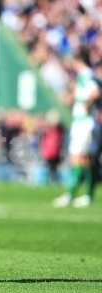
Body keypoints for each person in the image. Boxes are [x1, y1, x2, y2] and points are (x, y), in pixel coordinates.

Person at [53, 52, 100, 208]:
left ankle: (72, 194)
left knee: (78, 158)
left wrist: (86, 105)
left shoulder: (86, 75)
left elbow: (95, 92)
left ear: (79, 60)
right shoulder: (82, 76)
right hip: (81, 122)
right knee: (84, 159)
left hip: (84, 122)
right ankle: (86, 195)